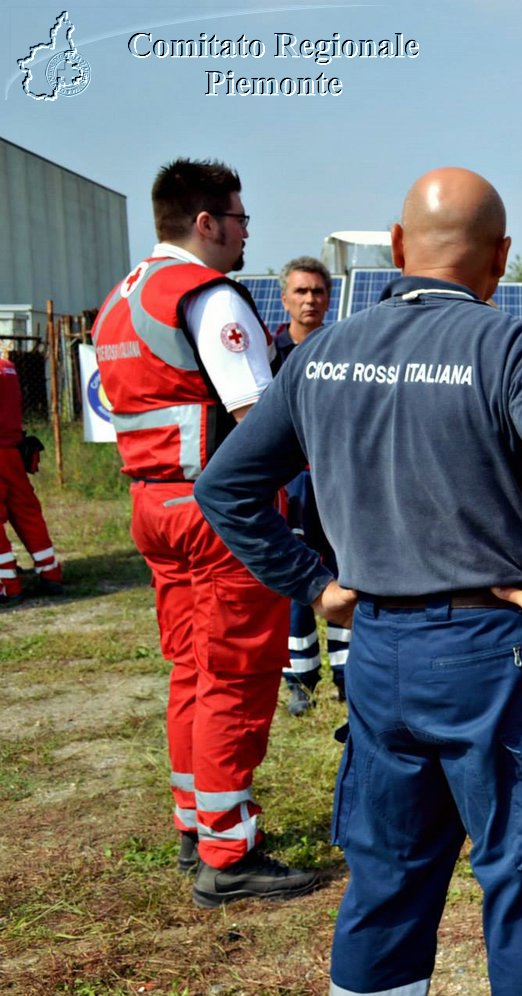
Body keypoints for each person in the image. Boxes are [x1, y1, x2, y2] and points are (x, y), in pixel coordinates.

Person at [194, 166, 522, 996]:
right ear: (501, 259)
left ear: (397, 251)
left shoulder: (322, 354)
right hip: (487, 658)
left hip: (378, 656)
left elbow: (227, 487)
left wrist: (315, 584)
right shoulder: (512, 348)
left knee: (386, 880)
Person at [90, 158, 310, 903]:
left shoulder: (120, 301)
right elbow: (263, 420)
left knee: (190, 668)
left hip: (155, 505)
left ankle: (196, 821)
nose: (248, 234)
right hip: (225, 513)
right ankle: (228, 853)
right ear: (207, 223)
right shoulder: (209, 296)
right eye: (242, 219)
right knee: (237, 678)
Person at [271, 257, 345, 715]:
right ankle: (300, 676)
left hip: (337, 480)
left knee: (346, 573)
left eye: (318, 291)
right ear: (285, 298)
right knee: (298, 577)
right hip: (289, 481)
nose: (310, 299)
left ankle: (348, 674)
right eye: (301, 291)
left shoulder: (345, 349)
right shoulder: (266, 352)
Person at [0, 350, 64, 603]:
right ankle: (50, 572)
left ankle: (7, 584)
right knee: (27, 513)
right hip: (13, 452)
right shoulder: (8, 367)